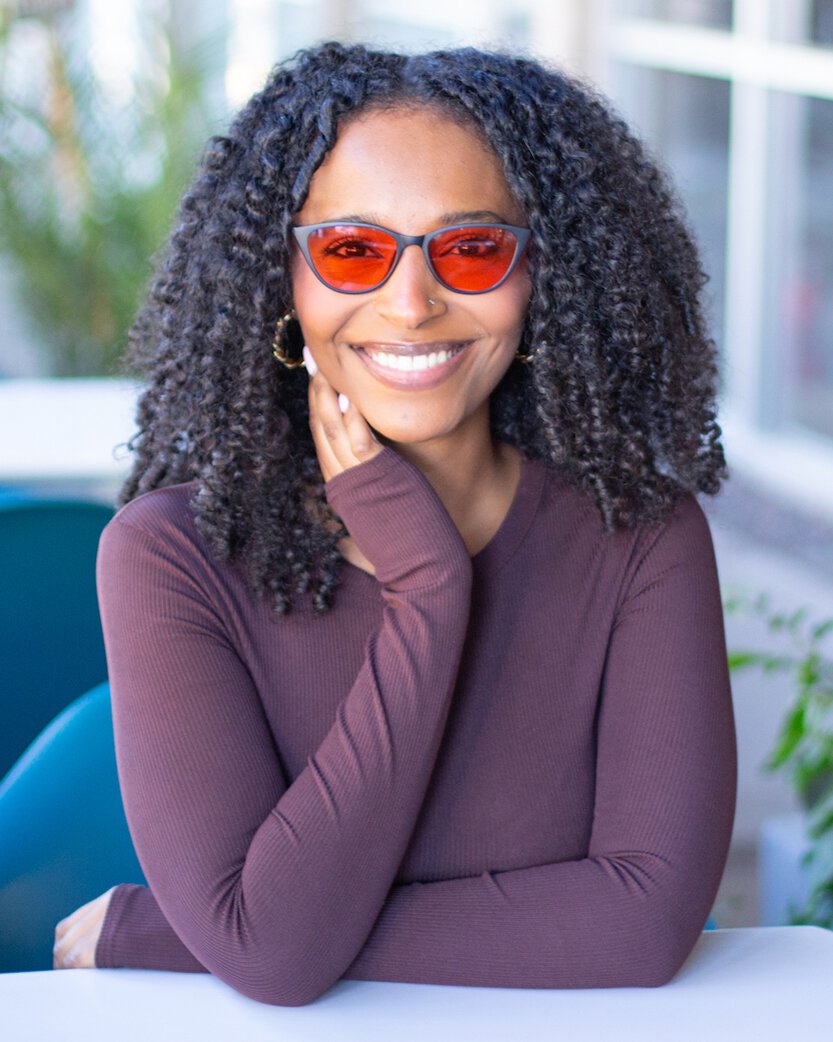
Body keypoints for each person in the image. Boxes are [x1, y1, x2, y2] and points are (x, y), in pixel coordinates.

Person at [52, 42, 736, 1005]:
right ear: (279, 279)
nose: (410, 305)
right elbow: (273, 958)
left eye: (470, 248)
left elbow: (640, 923)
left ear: (544, 274)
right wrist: (429, 587)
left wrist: (190, 932)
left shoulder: (637, 539)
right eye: (351, 250)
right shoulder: (174, 557)